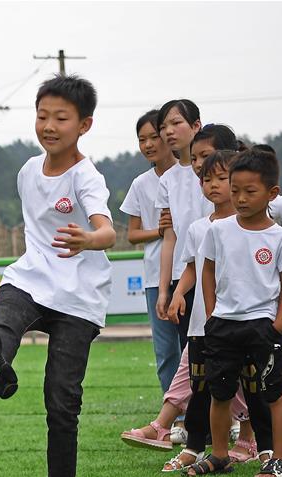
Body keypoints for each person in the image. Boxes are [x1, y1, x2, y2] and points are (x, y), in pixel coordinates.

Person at [0, 74, 116, 477]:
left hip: (79, 295)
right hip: (32, 275)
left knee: (61, 399)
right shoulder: (28, 171)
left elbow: (108, 230)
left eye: (61, 118)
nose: (48, 126)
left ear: (84, 125)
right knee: (3, 322)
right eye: (42, 115)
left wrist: (89, 238)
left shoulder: (87, 176)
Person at [167, 151, 273, 476]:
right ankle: (195, 448)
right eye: (206, 179)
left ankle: (265, 449)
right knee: (201, 388)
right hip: (204, 324)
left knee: (255, 387)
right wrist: (178, 294)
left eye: (221, 178)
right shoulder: (199, 228)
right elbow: (192, 267)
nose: (213, 185)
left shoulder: (252, 227)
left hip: (243, 323)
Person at [196, 149, 282, 477]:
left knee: (274, 392)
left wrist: (278, 324)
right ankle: (220, 455)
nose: (240, 198)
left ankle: (280, 460)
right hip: (223, 324)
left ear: (272, 193)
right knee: (220, 392)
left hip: (263, 326)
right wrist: (211, 313)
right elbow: (207, 270)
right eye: (235, 189)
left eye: (249, 191)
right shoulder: (218, 230)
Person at [119, 110, 180, 394]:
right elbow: (132, 234)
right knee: (166, 351)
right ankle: (176, 412)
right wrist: (160, 230)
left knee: (197, 346)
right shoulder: (140, 184)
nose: (148, 145)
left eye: (154, 137)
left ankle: (206, 411)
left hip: (192, 272)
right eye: (142, 140)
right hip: (157, 278)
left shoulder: (193, 175)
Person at [154, 100, 208, 351]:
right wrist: (163, 290)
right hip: (183, 277)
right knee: (192, 350)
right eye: (163, 127)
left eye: (176, 123)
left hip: (218, 270)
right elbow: (170, 238)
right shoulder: (167, 179)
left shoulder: (219, 174)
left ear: (196, 125)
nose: (169, 131)